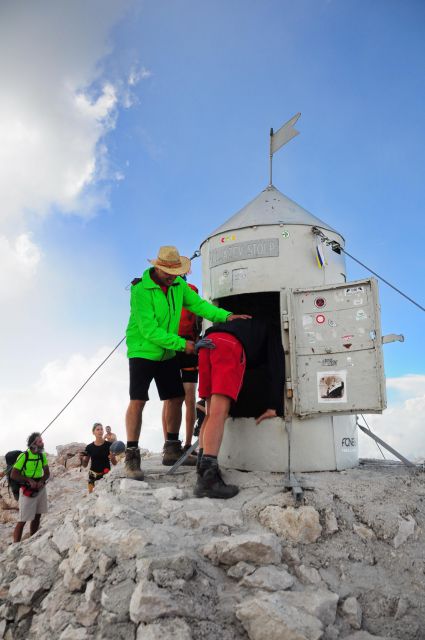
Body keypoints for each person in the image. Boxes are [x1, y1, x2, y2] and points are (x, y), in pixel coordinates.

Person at [124, 245, 250, 480]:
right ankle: (132, 455)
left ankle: (171, 448)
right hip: (142, 350)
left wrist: (226, 316)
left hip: (167, 351)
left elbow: (198, 305)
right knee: (138, 400)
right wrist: (186, 345)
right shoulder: (141, 290)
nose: (172, 277)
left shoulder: (178, 285)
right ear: (157, 267)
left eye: (175, 272)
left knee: (176, 397)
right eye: (167, 272)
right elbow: (149, 330)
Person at [195, 317, 285, 499]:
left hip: (207, 343)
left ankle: (202, 470)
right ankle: (208, 481)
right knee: (220, 413)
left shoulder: (245, 325)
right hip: (227, 346)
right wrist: (274, 406)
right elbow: (277, 366)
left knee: (211, 413)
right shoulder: (273, 329)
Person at [161, 278, 201, 461]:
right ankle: (186, 445)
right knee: (189, 397)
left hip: (169, 345)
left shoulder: (163, 291)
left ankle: (169, 445)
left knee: (169, 399)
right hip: (189, 346)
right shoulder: (192, 290)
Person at [11, 432, 50, 543]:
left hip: (40, 488)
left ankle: (33, 539)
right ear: (33, 444)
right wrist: (28, 480)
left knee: (38, 515)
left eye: (42, 441)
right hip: (27, 489)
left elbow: (47, 472)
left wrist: (42, 481)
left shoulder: (42, 456)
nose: (42, 443)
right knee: (22, 519)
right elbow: (14, 474)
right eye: (40, 441)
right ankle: (16, 545)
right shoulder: (24, 456)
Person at [80, 423, 117, 493]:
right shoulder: (89, 447)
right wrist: (81, 459)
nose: (100, 431)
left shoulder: (109, 445)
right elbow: (85, 465)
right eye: (98, 429)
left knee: (105, 496)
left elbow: (114, 463)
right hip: (92, 475)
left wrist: (112, 457)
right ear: (93, 432)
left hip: (106, 474)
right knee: (91, 496)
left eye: (101, 429)